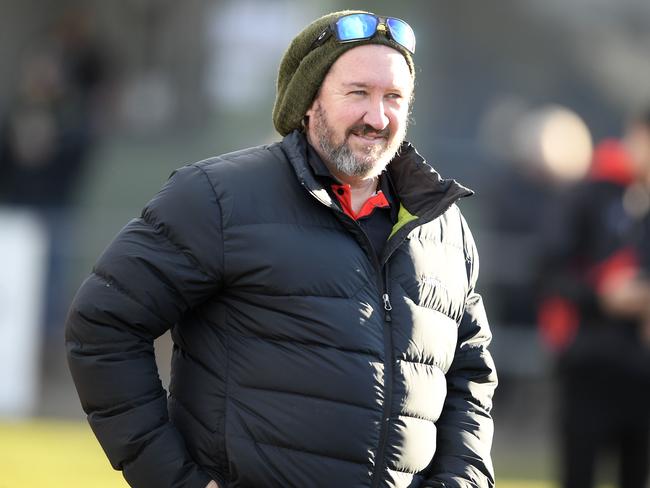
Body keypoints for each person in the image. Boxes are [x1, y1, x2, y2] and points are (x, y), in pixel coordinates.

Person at [65, 10, 497, 488]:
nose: (377, 117)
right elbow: (102, 326)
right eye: (358, 93)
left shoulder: (443, 226)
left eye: (393, 97)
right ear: (309, 101)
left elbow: (470, 378)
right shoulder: (218, 197)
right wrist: (172, 480)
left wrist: (464, 481)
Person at [538, 118, 650, 488]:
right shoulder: (590, 197)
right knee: (578, 473)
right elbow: (550, 272)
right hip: (590, 363)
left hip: (643, 372)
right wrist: (603, 295)